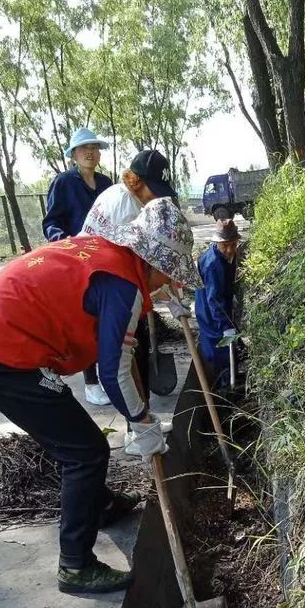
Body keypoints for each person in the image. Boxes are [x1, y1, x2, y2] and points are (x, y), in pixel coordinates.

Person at [0, 199, 194, 595]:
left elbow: (121, 352)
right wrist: (141, 421)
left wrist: (141, 413)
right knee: (84, 451)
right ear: (154, 259)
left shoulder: (109, 253)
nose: (170, 282)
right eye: (170, 274)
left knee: (78, 438)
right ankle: (76, 565)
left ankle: (100, 505)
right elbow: (111, 371)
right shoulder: (123, 285)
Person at [81, 149, 185, 454]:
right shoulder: (126, 208)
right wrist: (165, 295)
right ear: (134, 180)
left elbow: (155, 266)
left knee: (132, 357)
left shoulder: (128, 197)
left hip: (110, 285)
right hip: (106, 289)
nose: (157, 200)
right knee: (122, 362)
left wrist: (169, 295)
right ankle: (137, 428)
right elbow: (150, 262)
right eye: (155, 191)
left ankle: (141, 422)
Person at [42, 127, 114, 407]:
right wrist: (67, 242)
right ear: (73, 155)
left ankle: (112, 378)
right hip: (76, 261)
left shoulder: (106, 183)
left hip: (106, 258)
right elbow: (51, 223)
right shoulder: (64, 183)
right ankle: (91, 382)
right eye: (84, 148)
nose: (90, 152)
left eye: (94, 147)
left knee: (108, 319)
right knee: (85, 319)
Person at [194, 219, 241, 388]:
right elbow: (214, 300)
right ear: (217, 243)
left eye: (233, 244)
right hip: (212, 315)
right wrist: (225, 326)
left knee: (231, 350)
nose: (229, 250)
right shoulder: (214, 264)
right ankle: (225, 390)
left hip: (217, 311)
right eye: (225, 246)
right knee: (221, 353)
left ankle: (228, 382)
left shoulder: (225, 256)